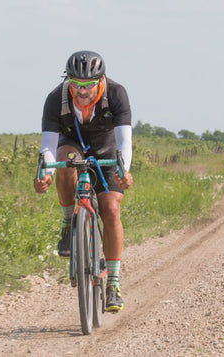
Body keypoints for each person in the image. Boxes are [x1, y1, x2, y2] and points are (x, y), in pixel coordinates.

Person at [33, 50, 133, 312]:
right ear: (69, 79)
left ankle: (113, 282)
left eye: (88, 84)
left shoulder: (116, 93)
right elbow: (49, 145)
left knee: (111, 210)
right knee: (66, 161)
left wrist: (124, 171)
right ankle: (68, 225)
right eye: (76, 83)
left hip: (107, 151)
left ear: (101, 80)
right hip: (72, 146)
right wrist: (46, 173)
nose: (82, 90)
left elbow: (125, 140)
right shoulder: (56, 98)